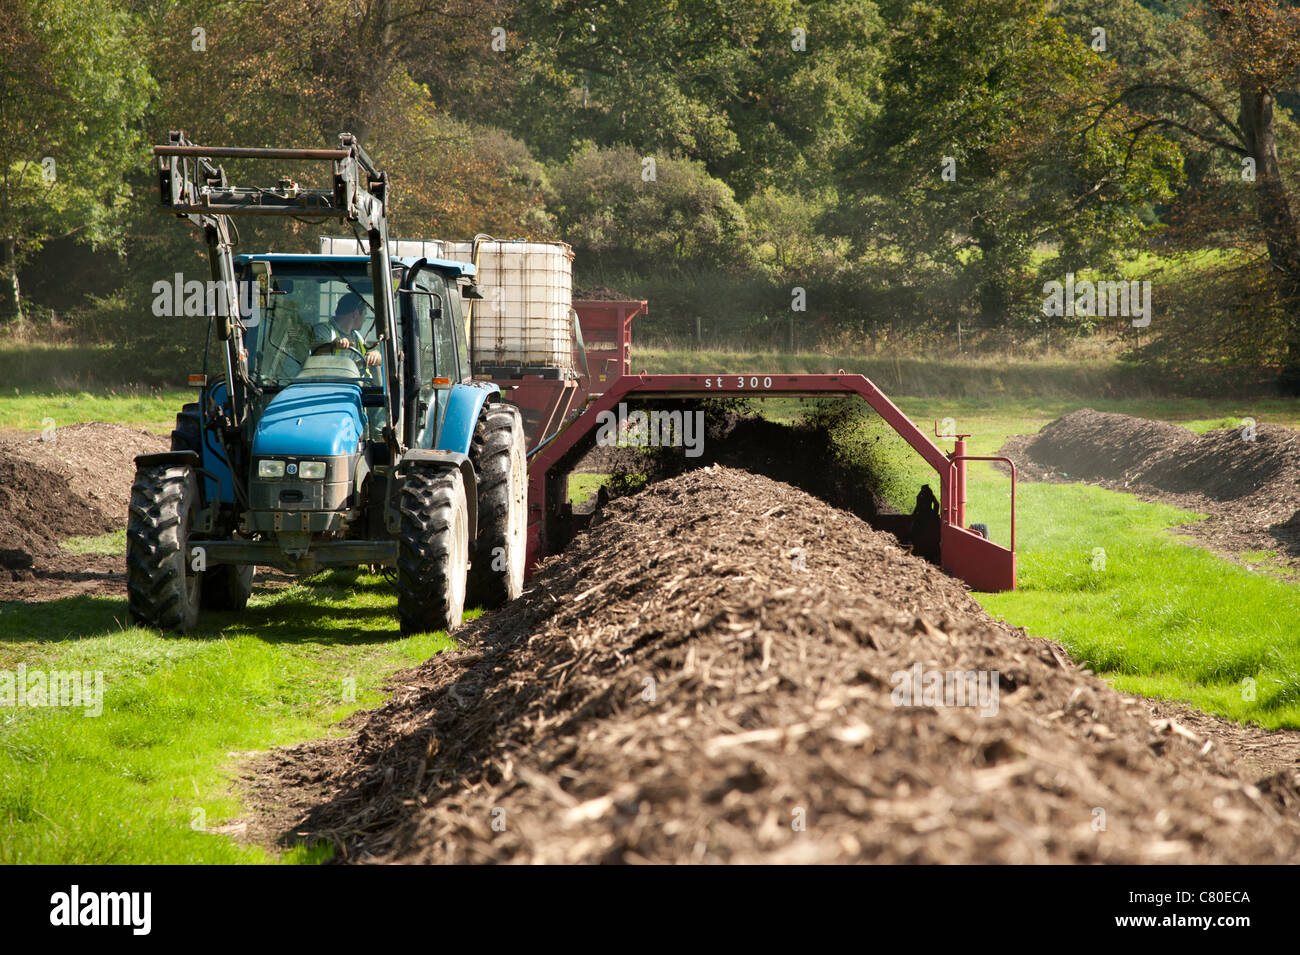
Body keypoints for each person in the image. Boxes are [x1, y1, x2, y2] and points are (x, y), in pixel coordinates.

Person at [312, 292, 382, 368]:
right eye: (365, 314)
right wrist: (333, 345)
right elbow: (316, 350)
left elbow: (371, 357)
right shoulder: (323, 330)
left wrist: (376, 355)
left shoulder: (357, 337)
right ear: (356, 313)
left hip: (355, 378)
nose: (365, 319)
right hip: (331, 379)